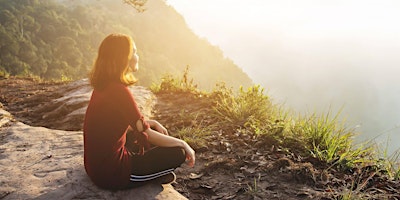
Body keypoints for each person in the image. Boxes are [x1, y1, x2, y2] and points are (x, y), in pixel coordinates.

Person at [83, 33, 195, 190]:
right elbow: (147, 133)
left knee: (144, 134)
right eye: (134, 51)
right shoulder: (119, 92)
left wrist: (152, 122)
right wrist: (183, 143)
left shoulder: (104, 85)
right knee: (178, 152)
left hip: (95, 168)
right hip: (113, 174)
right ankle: (150, 176)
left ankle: (155, 173)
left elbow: (117, 126)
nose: (137, 55)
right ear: (123, 58)